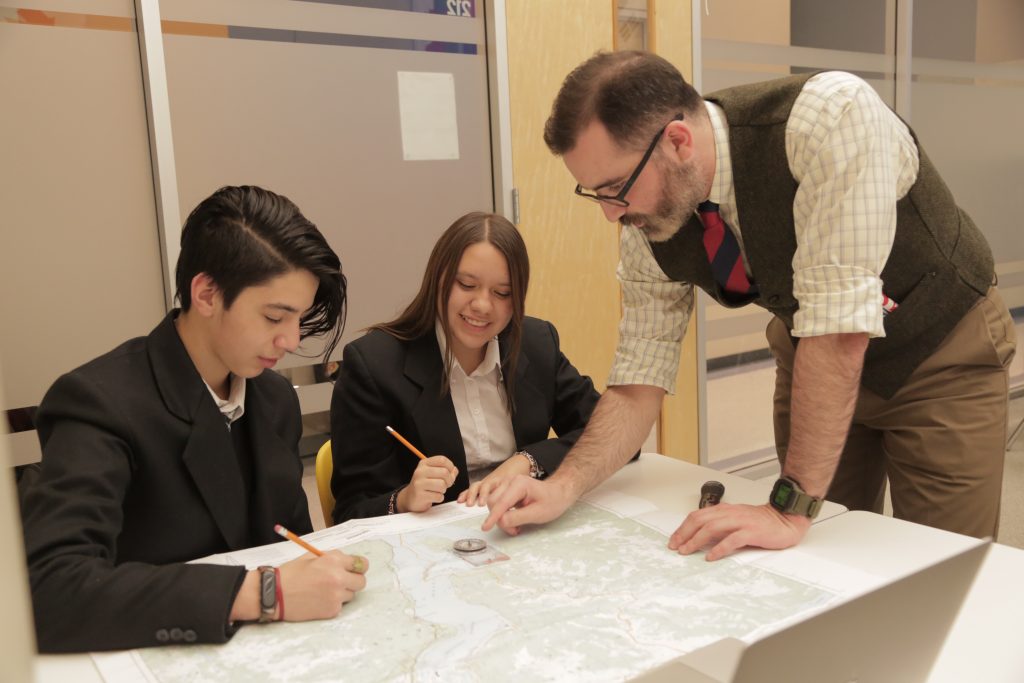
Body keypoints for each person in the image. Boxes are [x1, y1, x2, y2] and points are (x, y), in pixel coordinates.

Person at [483, 51, 1016, 560]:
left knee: (943, 564)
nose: (611, 213)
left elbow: (840, 329)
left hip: (938, 351)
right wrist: (563, 486)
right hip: (813, 356)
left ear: (677, 141)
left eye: (617, 187)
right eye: (595, 193)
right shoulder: (645, 224)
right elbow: (638, 377)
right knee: (825, 558)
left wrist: (787, 509)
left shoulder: (829, 117)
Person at [20, 186, 368, 652]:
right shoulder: (100, 402)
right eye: (274, 317)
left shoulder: (274, 398)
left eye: (298, 319)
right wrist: (264, 592)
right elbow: (49, 589)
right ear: (206, 294)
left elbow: (289, 541)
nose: (290, 340)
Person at [330, 211, 601, 523]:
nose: (482, 305)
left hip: (521, 527)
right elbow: (350, 512)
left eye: (502, 293)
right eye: (467, 285)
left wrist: (527, 461)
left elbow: (607, 435)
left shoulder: (537, 342)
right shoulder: (374, 364)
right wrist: (404, 499)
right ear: (438, 279)